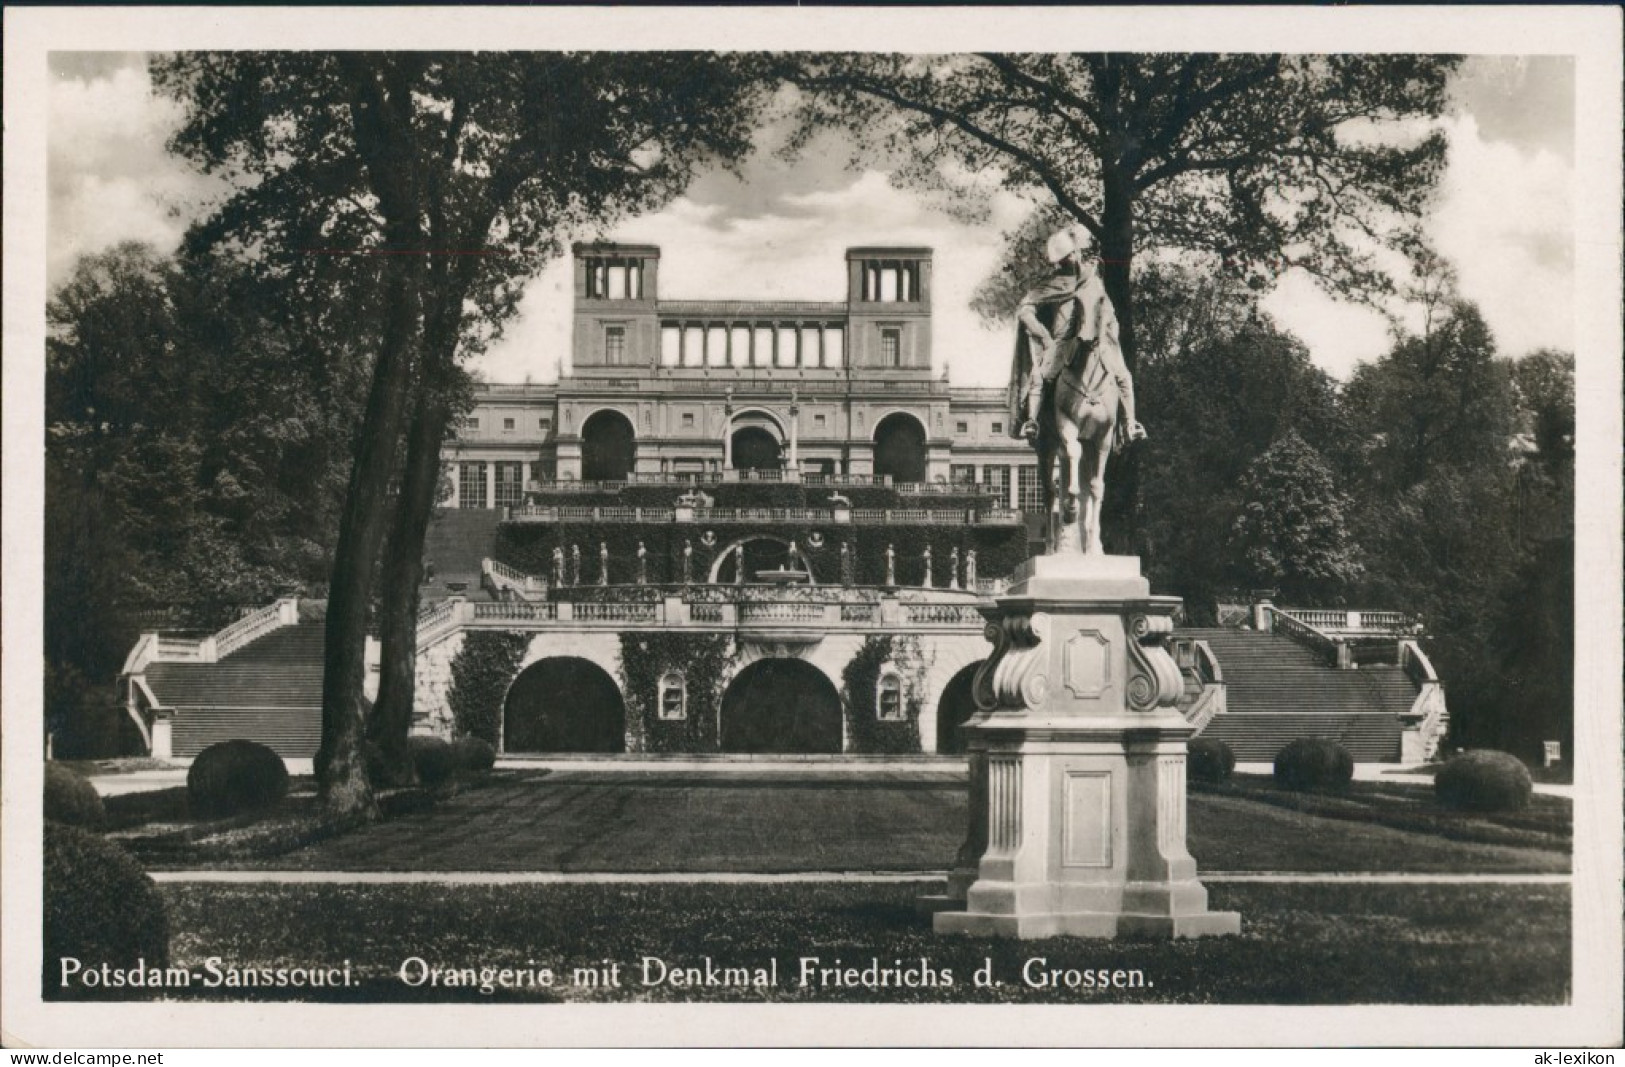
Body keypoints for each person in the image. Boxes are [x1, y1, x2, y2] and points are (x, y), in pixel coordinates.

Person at [1009, 227, 1144, 446]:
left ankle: (1130, 424)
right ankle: (1032, 422)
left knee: (1123, 376)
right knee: (1039, 378)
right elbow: (1025, 308)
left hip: (1098, 339)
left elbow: (1107, 307)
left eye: (1070, 255)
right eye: (1063, 260)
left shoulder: (1093, 279)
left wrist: (1110, 331)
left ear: (1077, 252)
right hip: (1062, 343)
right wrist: (1043, 335)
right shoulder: (1052, 284)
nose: (1068, 261)